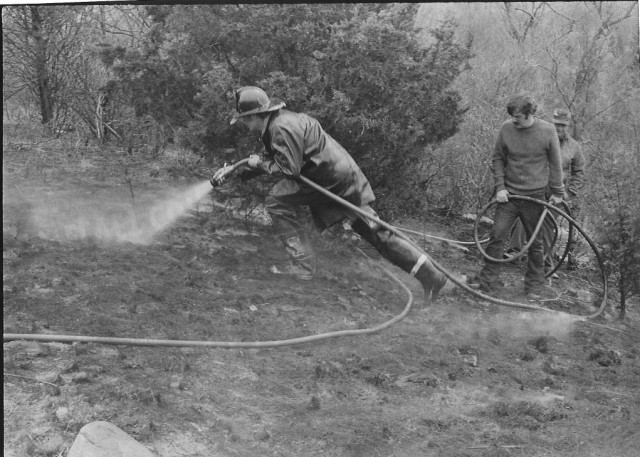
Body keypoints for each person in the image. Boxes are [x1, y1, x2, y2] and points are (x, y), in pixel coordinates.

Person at [211, 86, 447, 305]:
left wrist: (257, 164)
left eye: (244, 119)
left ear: (253, 116)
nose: (244, 124)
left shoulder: (280, 127)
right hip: (332, 178)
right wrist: (235, 169)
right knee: (372, 230)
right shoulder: (279, 123)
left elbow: (288, 169)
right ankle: (432, 277)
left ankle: (302, 266)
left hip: (333, 181)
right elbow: (274, 157)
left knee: (279, 200)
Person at [467, 95, 565, 300]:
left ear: (530, 114)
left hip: (535, 196)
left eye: (518, 116)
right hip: (509, 196)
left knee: (535, 243)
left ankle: (534, 287)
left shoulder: (547, 130)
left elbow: (556, 164)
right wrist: (500, 187)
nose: (514, 120)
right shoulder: (506, 129)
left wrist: (557, 192)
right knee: (497, 234)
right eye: (512, 116)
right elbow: (498, 159)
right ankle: (488, 281)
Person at [541, 108, 586, 272]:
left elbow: (579, 171)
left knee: (547, 225)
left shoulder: (574, 147)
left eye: (562, 125)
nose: (559, 128)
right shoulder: (542, 138)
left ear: (568, 126)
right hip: (534, 187)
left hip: (556, 193)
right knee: (523, 216)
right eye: (556, 124)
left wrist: (570, 192)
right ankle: (514, 251)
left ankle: (546, 264)